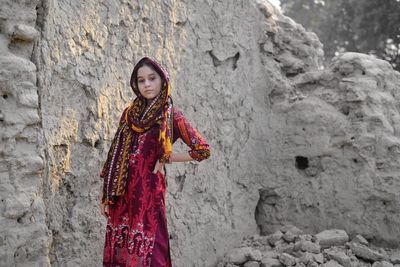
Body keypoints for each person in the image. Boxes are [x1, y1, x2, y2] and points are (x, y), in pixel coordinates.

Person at [99, 56, 211, 267]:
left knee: (153, 250)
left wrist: (166, 157)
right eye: (141, 80)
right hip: (122, 193)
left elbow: (202, 150)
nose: (147, 85)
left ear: (163, 80)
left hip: (148, 192)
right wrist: (105, 195)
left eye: (152, 78)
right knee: (121, 249)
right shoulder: (129, 115)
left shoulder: (171, 116)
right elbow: (114, 154)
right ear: (136, 84)